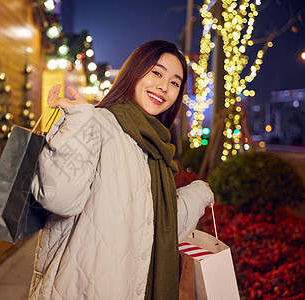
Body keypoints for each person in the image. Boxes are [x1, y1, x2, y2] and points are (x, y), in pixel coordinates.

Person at [29, 40, 214, 300]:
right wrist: (79, 122)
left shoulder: (156, 145)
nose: (163, 86)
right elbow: (58, 198)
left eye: (175, 82)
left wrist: (198, 194)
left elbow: (156, 226)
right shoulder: (97, 123)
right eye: (157, 73)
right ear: (134, 73)